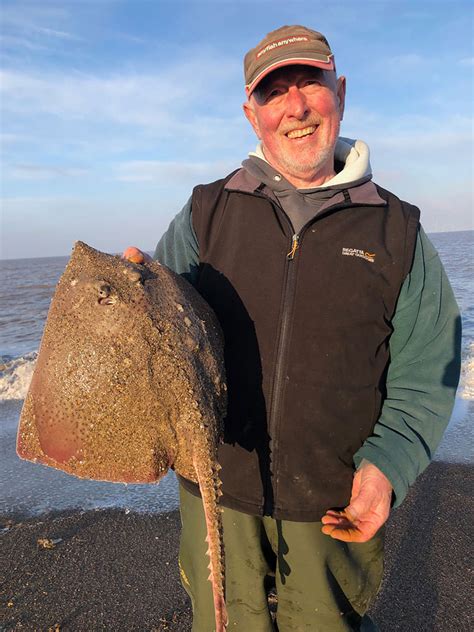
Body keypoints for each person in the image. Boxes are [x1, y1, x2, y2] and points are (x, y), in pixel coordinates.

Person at [124, 25, 461, 632]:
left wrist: (387, 465)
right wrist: (131, 299)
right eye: (275, 91)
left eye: (311, 82)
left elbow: (426, 366)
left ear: (342, 91)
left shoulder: (398, 231)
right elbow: (158, 345)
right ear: (252, 115)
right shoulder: (207, 211)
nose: (297, 107)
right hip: (217, 491)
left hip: (334, 499)